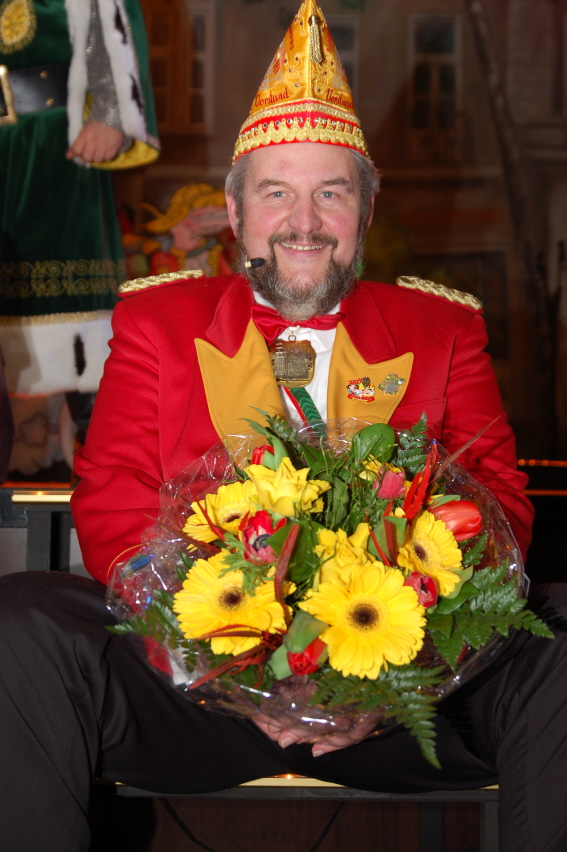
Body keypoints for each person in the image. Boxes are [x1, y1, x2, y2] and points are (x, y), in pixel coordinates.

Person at [0, 3, 565, 850]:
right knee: (22, 623)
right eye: (276, 193)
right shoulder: (157, 322)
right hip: (196, 698)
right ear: (236, 213)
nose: (303, 222)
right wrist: (216, 664)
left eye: (330, 193)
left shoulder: (443, 328)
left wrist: (395, 674)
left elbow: (498, 510)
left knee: (557, 639)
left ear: (363, 211)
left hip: (406, 708)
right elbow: (114, 498)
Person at [0, 0, 159, 475]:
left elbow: (106, 13)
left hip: (51, 148)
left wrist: (112, 112)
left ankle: (114, 488)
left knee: (83, 337)